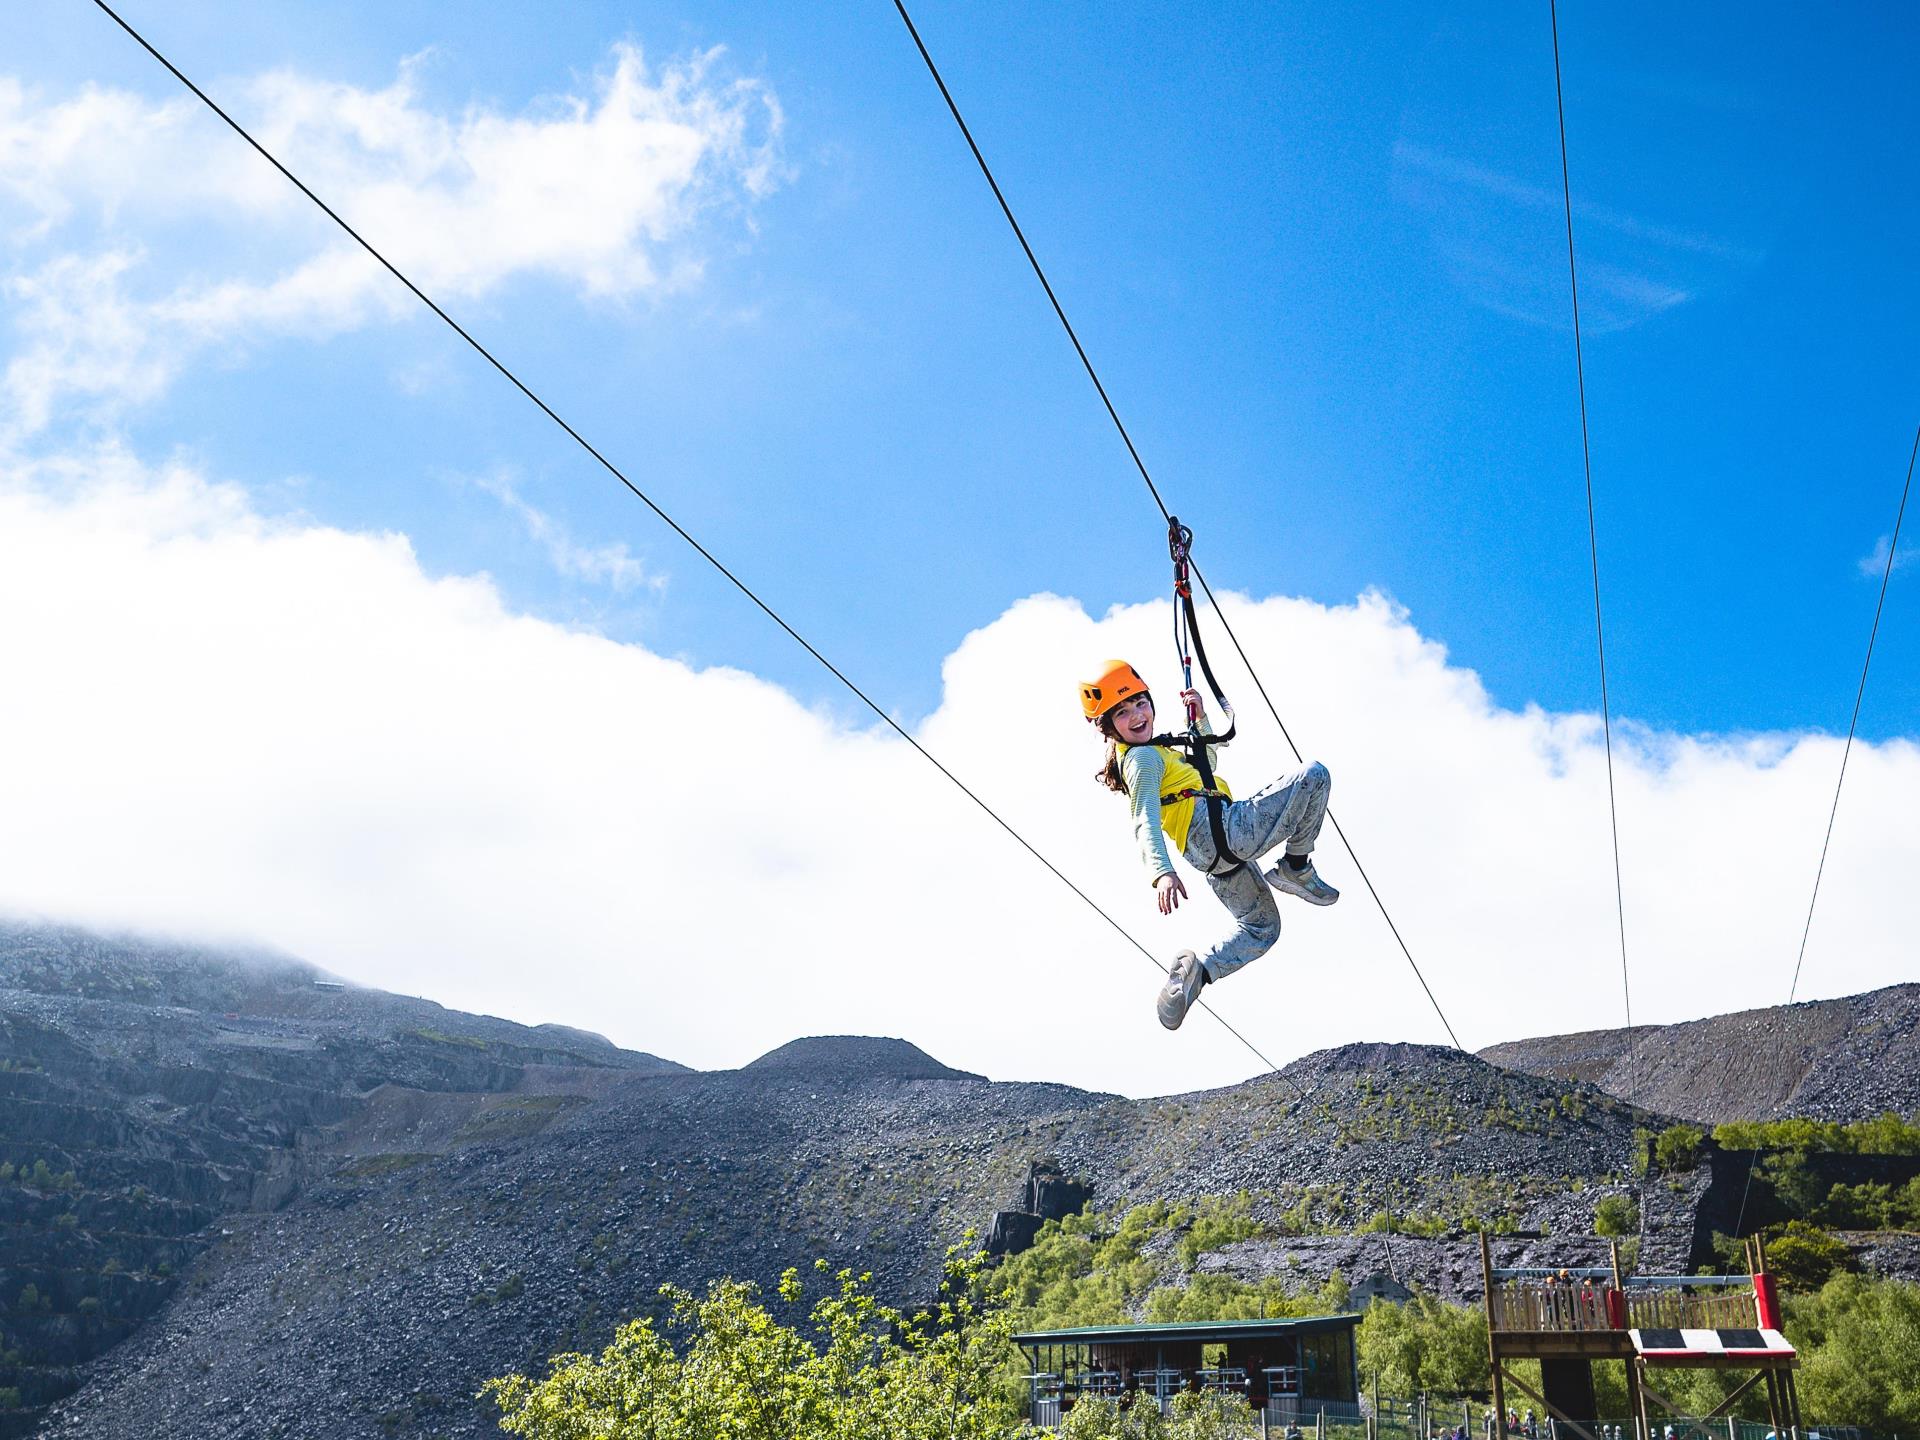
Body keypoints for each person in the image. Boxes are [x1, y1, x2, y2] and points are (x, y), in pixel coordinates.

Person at [1080, 659, 1336, 1030]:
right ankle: (1296, 867)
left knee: (1262, 928)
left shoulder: (1154, 751)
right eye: (1121, 712)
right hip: (1228, 831)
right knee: (1314, 775)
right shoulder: (1143, 759)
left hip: (1217, 861)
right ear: (1107, 728)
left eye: (1140, 703)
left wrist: (1199, 721)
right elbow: (1143, 818)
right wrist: (1161, 872)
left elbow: (1206, 766)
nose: (1136, 716)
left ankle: (1199, 972)